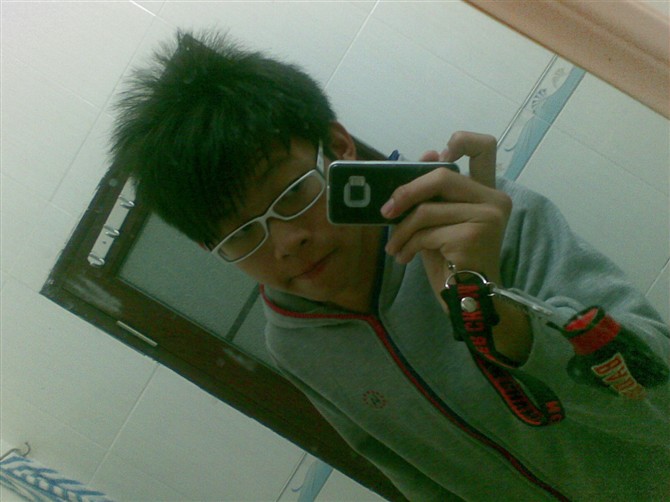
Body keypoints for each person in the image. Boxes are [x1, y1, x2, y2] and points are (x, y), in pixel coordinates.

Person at [111, 30, 670, 501]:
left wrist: (499, 314)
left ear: (338, 147)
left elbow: (658, 390)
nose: (285, 243)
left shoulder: (483, 221)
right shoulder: (292, 345)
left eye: (291, 193)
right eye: (241, 234)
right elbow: (417, 478)